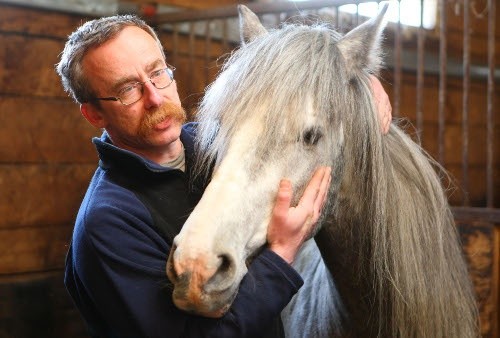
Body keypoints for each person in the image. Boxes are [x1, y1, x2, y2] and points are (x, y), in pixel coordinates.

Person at [56, 14, 391, 338]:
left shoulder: (219, 145)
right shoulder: (106, 223)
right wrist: (282, 254)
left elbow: (284, 100)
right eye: (127, 89)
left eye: (157, 73)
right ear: (94, 114)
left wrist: (358, 79)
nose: (155, 97)